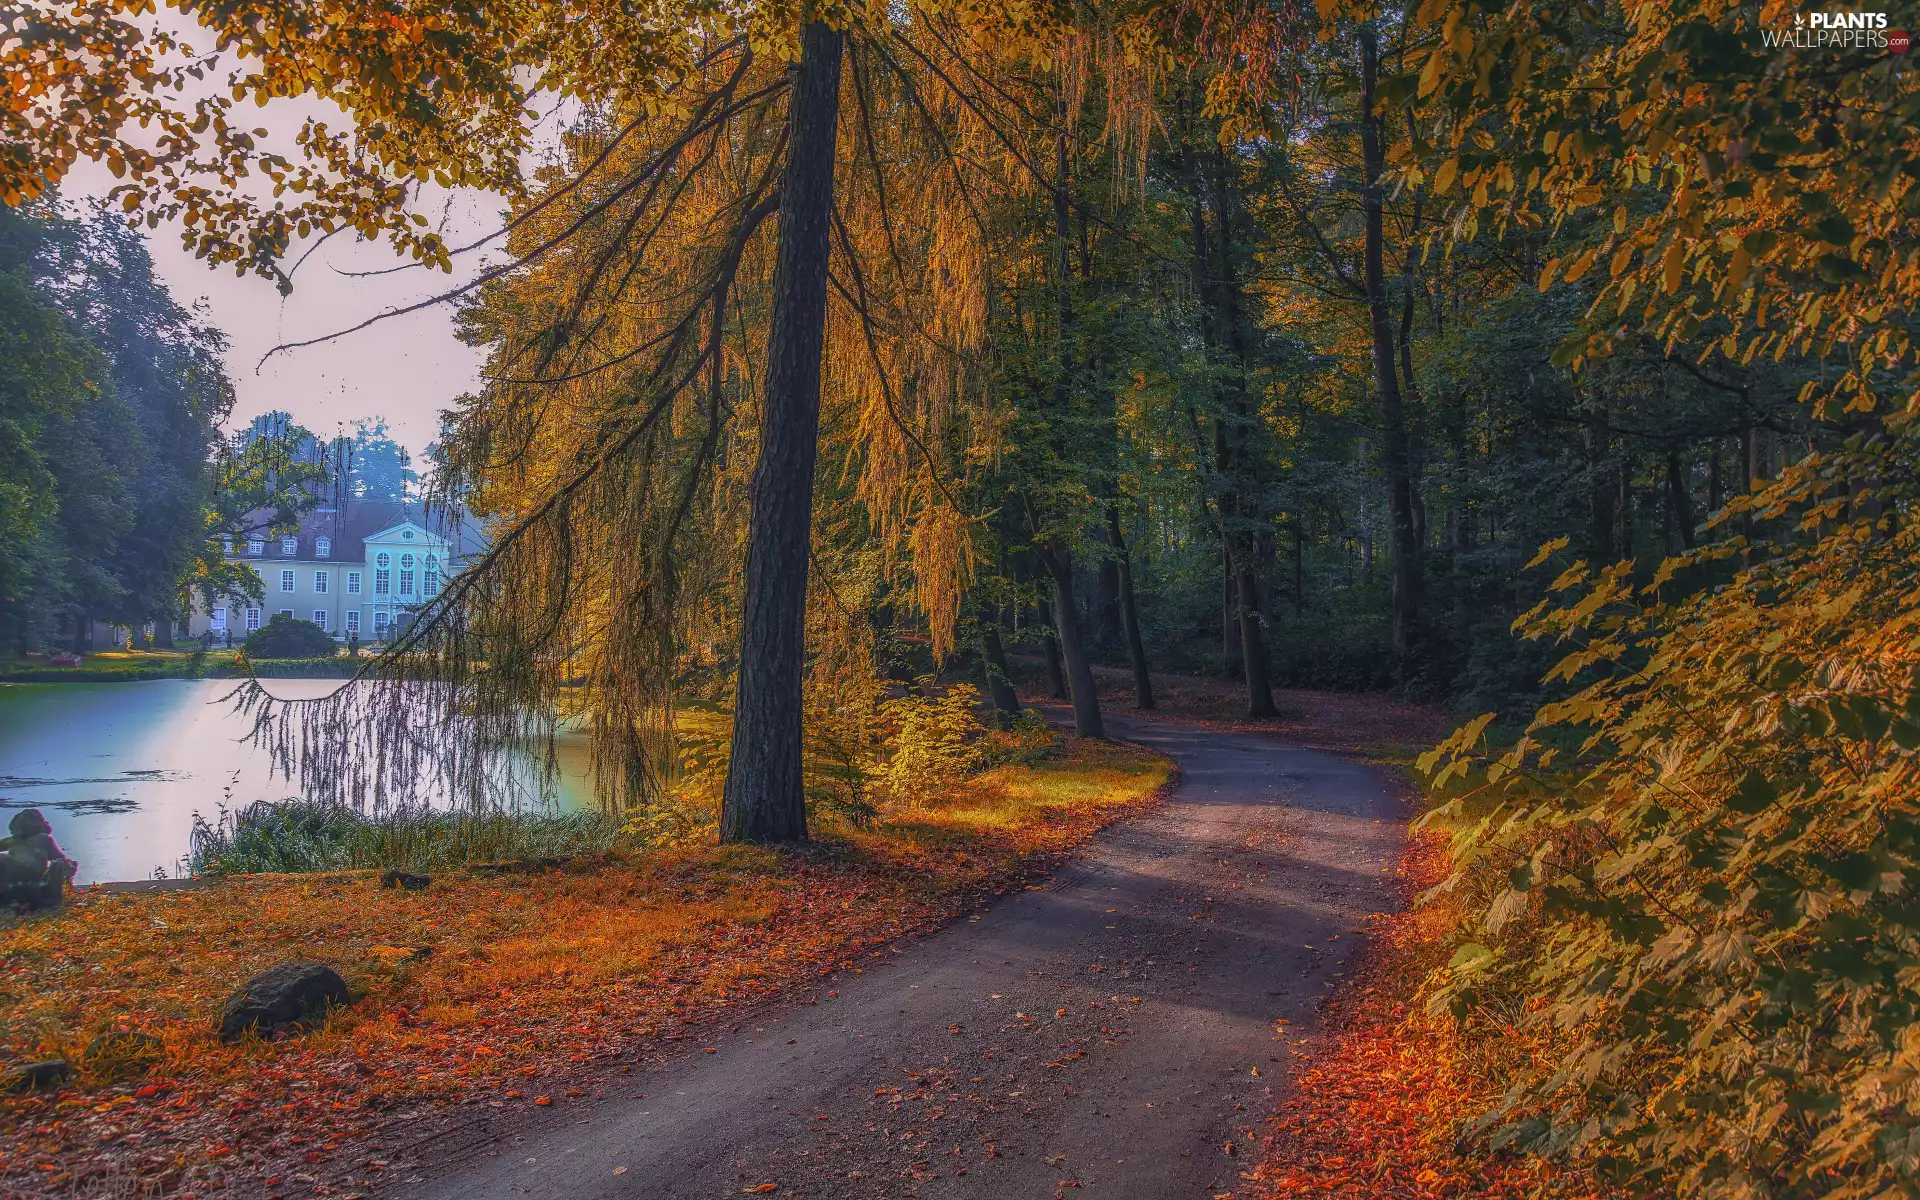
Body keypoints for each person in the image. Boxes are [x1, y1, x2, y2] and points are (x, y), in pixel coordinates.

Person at [0, 809, 77, 910]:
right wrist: (70, 869)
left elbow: (61, 862)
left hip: (16, 889)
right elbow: (63, 861)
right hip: (31, 889)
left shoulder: (12, 840)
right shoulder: (44, 839)